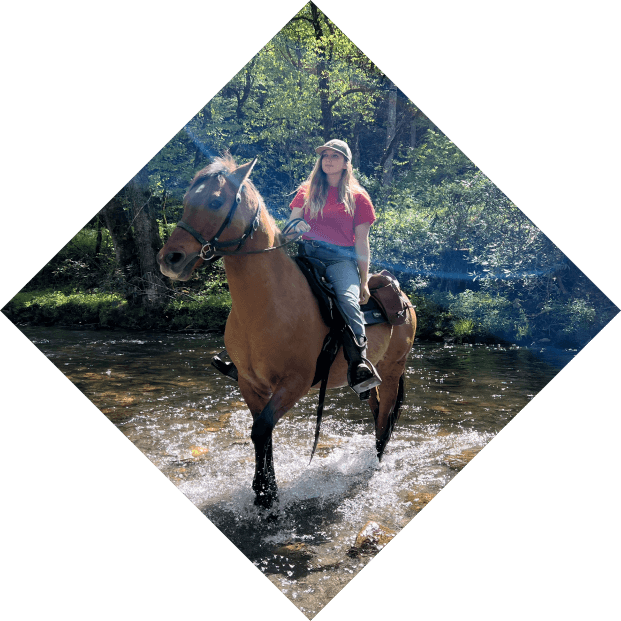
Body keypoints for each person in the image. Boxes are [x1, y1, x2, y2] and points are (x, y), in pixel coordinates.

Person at [286, 139, 382, 396]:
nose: (328, 160)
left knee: (348, 301)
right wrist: (297, 228)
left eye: (335, 156)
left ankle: (359, 364)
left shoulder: (359, 198)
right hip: (306, 255)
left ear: (346, 163)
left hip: (340, 260)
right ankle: (239, 353)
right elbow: (290, 226)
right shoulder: (306, 191)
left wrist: (363, 281)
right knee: (270, 287)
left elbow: (362, 242)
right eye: (325, 156)